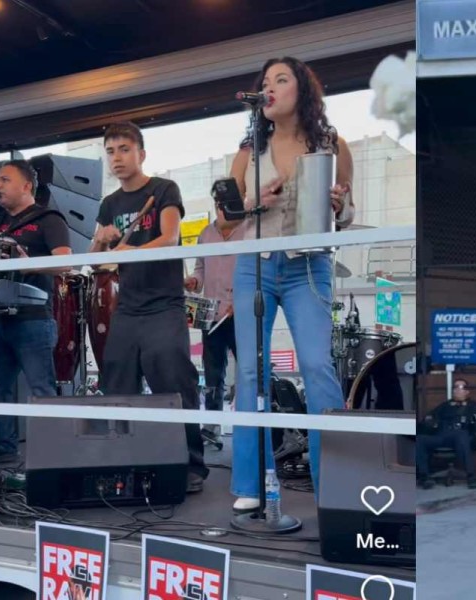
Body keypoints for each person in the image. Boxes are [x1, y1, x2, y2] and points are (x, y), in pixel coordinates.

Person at [228, 56, 355, 513]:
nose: (271, 88)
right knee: (249, 373)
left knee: (318, 367)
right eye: (265, 82)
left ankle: (336, 483)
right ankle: (250, 483)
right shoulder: (248, 152)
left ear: (303, 89)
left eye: (281, 79)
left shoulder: (331, 143)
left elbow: (349, 212)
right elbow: (225, 221)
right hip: (255, 264)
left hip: (308, 265)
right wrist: (251, 204)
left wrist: (340, 205)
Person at [89, 121, 208, 493]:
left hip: (165, 306)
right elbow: (94, 263)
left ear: (141, 153)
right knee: (116, 386)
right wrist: (102, 242)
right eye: (110, 151)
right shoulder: (109, 205)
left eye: (124, 149)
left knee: (174, 384)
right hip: (128, 309)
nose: (117, 158)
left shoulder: (163, 189)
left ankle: (191, 465)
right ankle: (119, 463)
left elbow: (170, 238)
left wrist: (131, 251)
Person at [0, 159, 72, 462]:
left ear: (26, 186)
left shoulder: (48, 218)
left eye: (5, 180)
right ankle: (3, 456)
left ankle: (52, 460)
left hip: (33, 320)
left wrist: (25, 262)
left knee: (41, 389)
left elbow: (65, 262)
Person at [185, 204, 247, 447]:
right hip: (211, 315)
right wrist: (194, 281)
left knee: (248, 371)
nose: (223, 210)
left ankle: (248, 423)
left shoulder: (248, 231)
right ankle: (212, 427)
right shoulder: (205, 234)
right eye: (220, 206)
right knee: (213, 374)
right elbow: (200, 267)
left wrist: (240, 300)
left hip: (240, 313)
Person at [417, 378, 476, 490]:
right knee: (420, 439)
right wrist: (430, 423)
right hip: (443, 436)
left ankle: (471, 476)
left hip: (462, 438)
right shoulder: (445, 406)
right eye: (455, 387)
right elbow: (428, 419)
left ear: (467, 391)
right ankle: (424, 477)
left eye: (461, 387)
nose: (457, 390)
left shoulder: (475, 407)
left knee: (461, 435)